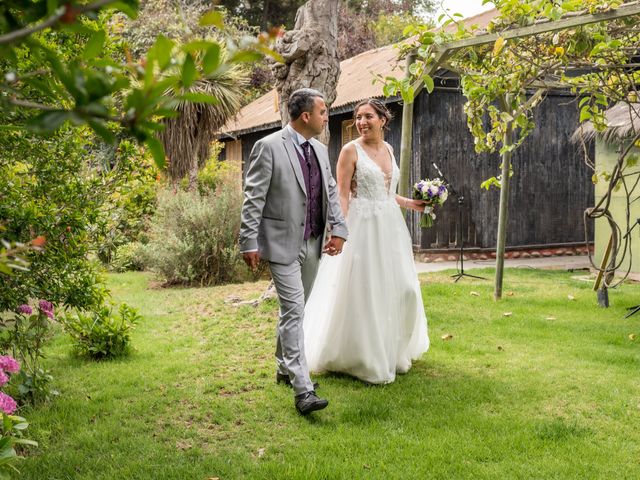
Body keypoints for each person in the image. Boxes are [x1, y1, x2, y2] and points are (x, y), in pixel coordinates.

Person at [303, 98, 429, 384]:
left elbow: (385, 193)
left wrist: (411, 203)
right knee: (365, 290)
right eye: (358, 117)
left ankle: (392, 348)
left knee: (403, 289)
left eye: (368, 116)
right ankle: (362, 355)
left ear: (383, 120)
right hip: (361, 228)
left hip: (390, 228)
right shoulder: (350, 151)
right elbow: (343, 196)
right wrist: (340, 231)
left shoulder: (388, 149)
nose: (361, 122)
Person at [239, 88, 348, 415]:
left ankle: (284, 368)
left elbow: (329, 190)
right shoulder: (268, 147)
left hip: (313, 242)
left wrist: (339, 230)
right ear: (306, 116)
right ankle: (304, 391)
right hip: (281, 243)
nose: (326, 116)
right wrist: (248, 241)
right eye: (323, 111)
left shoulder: (320, 149)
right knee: (294, 310)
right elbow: (253, 198)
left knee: (296, 310)